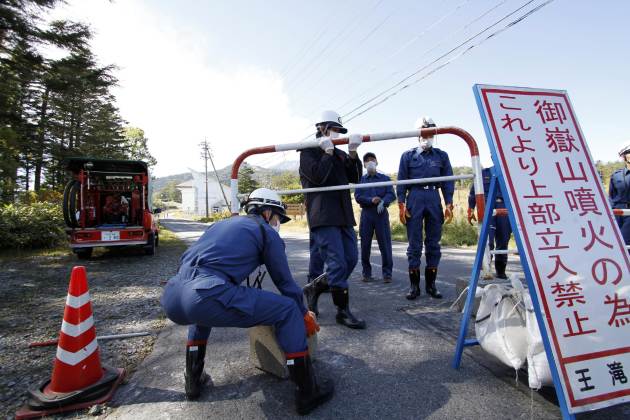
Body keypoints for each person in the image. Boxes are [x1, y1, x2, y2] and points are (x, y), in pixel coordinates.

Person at [160, 188, 333, 415]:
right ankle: (307, 392)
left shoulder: (220, 225)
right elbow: (285, 284)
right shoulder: (265, 231)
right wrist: (303, 314)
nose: (278, 223)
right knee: (288, 309)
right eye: (278, 217)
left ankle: (193, 381)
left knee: (200, 313)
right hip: (204, 293)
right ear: (267, 212)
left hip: (173, 295)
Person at [300, 110, 366, 329]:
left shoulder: (339, 154)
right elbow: (318, 177)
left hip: (343, 213)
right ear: (322, 128)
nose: (338, 134)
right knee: (337, 262)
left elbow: (355, 178)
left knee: (351, 259)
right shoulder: (309, 151)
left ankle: (315, 287)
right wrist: (326, 153)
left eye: (339, 130)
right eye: (335, 129)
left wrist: (354, 153)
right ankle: (342, 311)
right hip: (323, 213)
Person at [397, 116, 454, 300]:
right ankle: (414, 287)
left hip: (433, 197)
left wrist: (449, 203)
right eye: (424, 132)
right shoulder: (407, 156)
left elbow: (448, 181)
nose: (427, 136)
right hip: (414, 197)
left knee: (433, 243)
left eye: (431, 132)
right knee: (414, 244)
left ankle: (431, 285)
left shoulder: (442, 155)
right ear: (418, 135)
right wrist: (400, 203)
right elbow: (401, 182)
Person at [354, 152, 395, 283]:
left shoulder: (385, 179)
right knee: (365, 245)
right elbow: (358, 196)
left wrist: (383, 201)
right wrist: (371, 200)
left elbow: (391, 194)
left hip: (381, 214)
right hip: (366, 214)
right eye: (367, 160)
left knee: (385, 245)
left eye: (372, 159)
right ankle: (366, 273)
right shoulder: (362, 180)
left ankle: (387, 274)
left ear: (377, 162)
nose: (370, 162)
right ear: (364, 165)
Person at [467, 167, 513, 279]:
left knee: (503, 241)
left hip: (505, 207)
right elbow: (473, 192)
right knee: (488, 241)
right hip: (487, 207)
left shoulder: (511, 171)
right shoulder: (483, 173)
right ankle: (486, 271)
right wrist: (471, 209)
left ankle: (501, 272)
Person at [610, 143, 630, 247]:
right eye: (628, 152)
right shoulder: (616, 175)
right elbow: (612, 197)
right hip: (617, 213)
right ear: (624, 157)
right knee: (614, 240)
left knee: (624, 242)